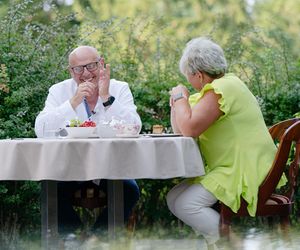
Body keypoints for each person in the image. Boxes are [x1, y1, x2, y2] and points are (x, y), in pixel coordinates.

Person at [167, 37, 284, 249]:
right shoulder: (217, 89)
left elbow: (190, 128)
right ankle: (217, 243)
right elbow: (182, 130)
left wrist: (179, 98)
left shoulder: (223, 89)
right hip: (230, 167)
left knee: (186, 204)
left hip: (244, 170)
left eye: (188, 76)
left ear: (199, 75)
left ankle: (233, 245)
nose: (188, 82)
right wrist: (177, 104)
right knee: (174, 198)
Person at [35, 45, 141, 233]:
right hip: (69, 167)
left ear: (101, 63)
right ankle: (75, 238)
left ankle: (98, 240)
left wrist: (106, 97)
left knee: (129, 191)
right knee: (49, 191)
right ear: (71, 71)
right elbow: (41, 129)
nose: (85, 74)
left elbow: (134, 127)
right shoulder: (59, 91)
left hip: (110, 166)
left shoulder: (119, 88)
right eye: (78, 69)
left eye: (90, 66)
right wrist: (73, 102)